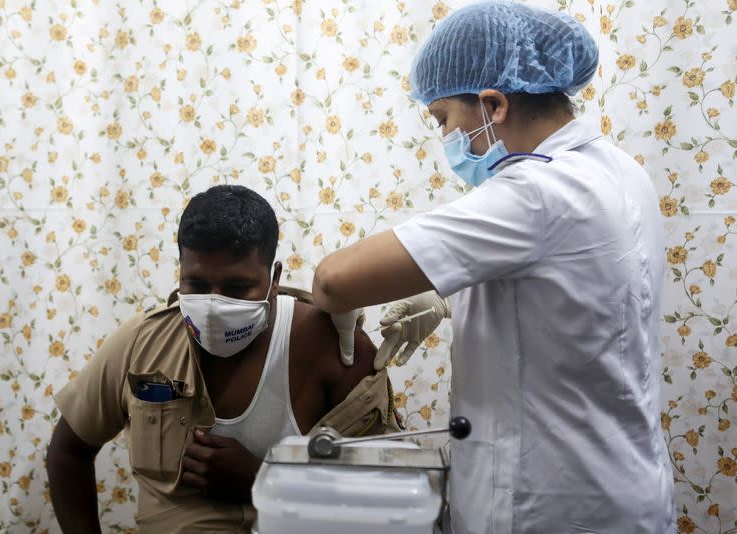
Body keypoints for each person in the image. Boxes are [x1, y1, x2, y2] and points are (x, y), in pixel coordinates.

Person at [312, 2, 674, 533]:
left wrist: (337, 310)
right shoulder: (618, 169)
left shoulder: (535, 192)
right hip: (622, 484)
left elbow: (332, 280)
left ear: (494, 104)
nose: (447, 141)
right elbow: (566, 290)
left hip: (550, 505)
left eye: (444, 121)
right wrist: (445, 297)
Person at [47, 185, 401, 533]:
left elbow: (385, 492)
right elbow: (68, 451)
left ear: (273, 279)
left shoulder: (331, 345)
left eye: (236, 288)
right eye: (196, 285)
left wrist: (266, 478)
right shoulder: (145, 341)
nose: (213, 305)